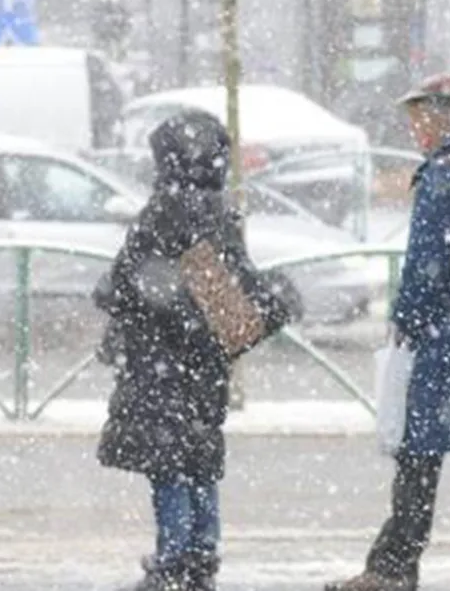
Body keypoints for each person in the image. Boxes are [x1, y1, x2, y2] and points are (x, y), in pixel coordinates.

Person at [94, 111, 302, 591]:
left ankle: (173, 559)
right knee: (198, 459)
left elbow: (126, 284)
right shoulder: (217, 214)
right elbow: (233, 311)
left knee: (169, 466)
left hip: (158, 364)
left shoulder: (165, 212)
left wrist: (120, 295)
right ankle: (201, 555)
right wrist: (273, 303)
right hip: (202, 369)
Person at [325, 75, 450, 591]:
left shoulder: (446, 176)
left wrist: (405, 319)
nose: (414, 130)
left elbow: (427, 264)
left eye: (420, 117)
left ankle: (394, 565)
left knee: (418, 455)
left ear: (445, 117)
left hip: (447, 342)